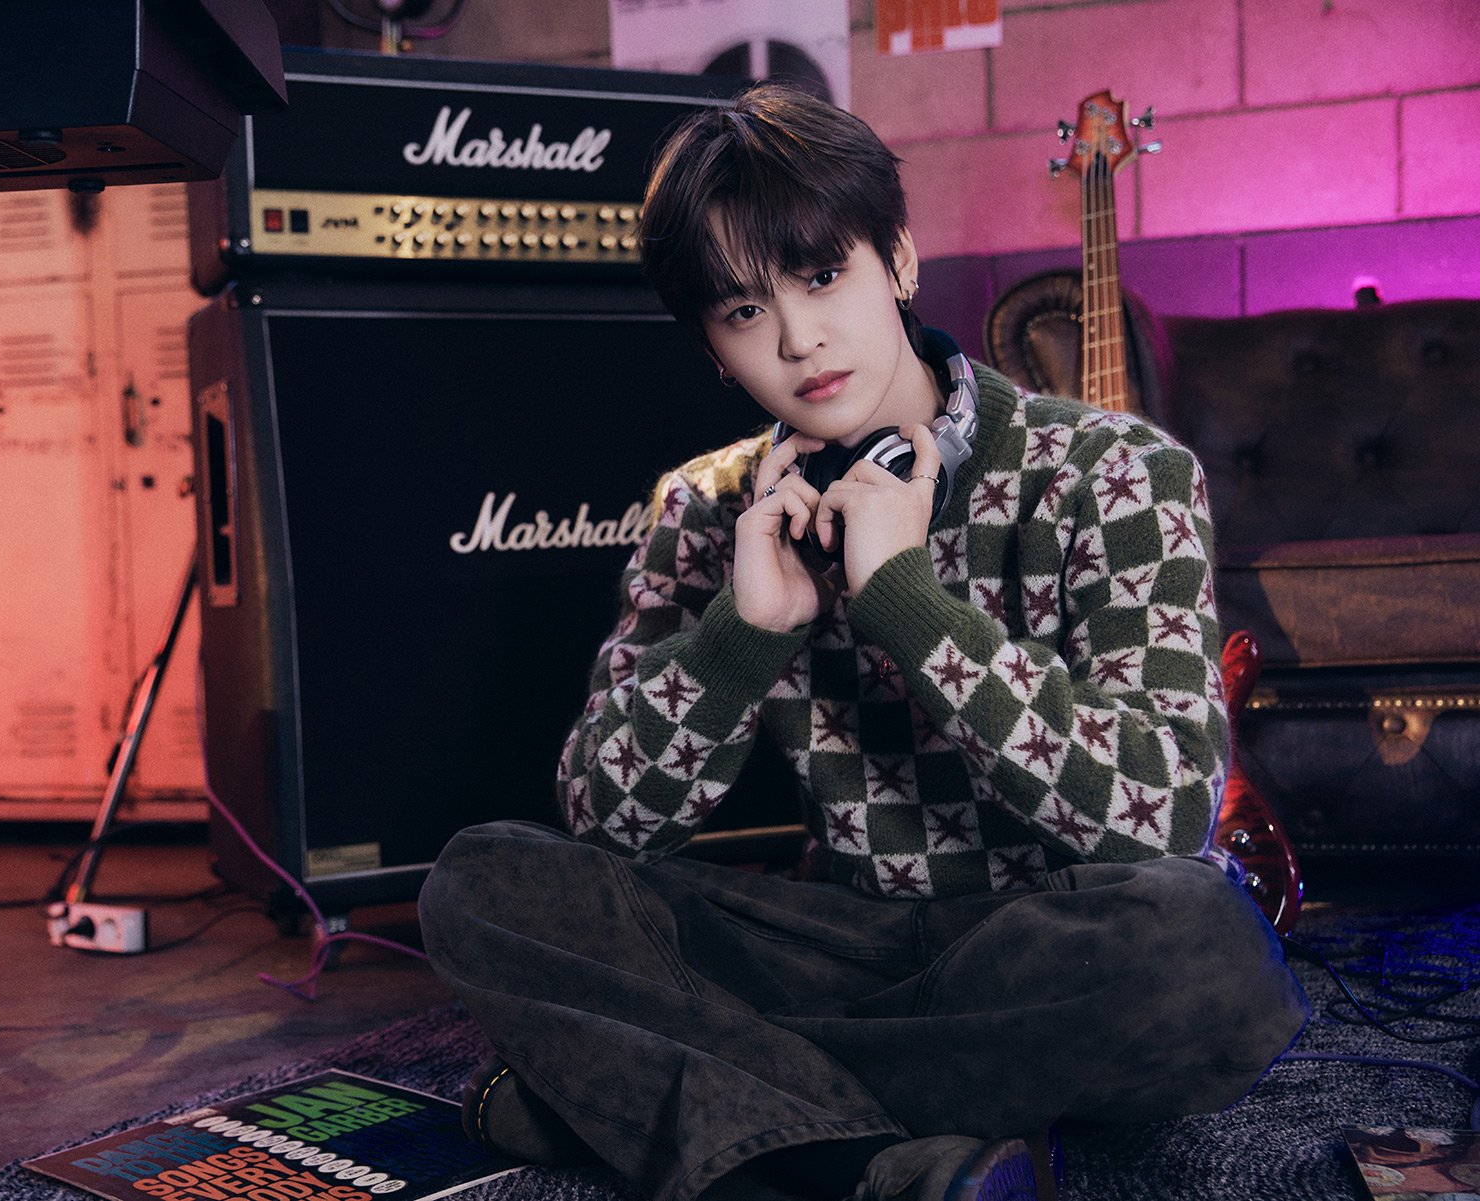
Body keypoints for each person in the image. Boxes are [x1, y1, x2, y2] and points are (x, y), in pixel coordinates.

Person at [417, 84, 1308, 1201]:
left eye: (822, 276)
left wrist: (907, 603)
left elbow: (1163, 813)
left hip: (1047, 949)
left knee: (1208, 948)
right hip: (832, 944)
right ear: (712, 347)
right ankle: (854, 1162)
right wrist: (743, 634)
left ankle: (669, 1099)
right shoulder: (709, 508)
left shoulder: (1118, 473)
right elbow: (608, 821)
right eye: (745, 311)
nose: (798, 340)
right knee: (483, 882)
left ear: (898, 259)